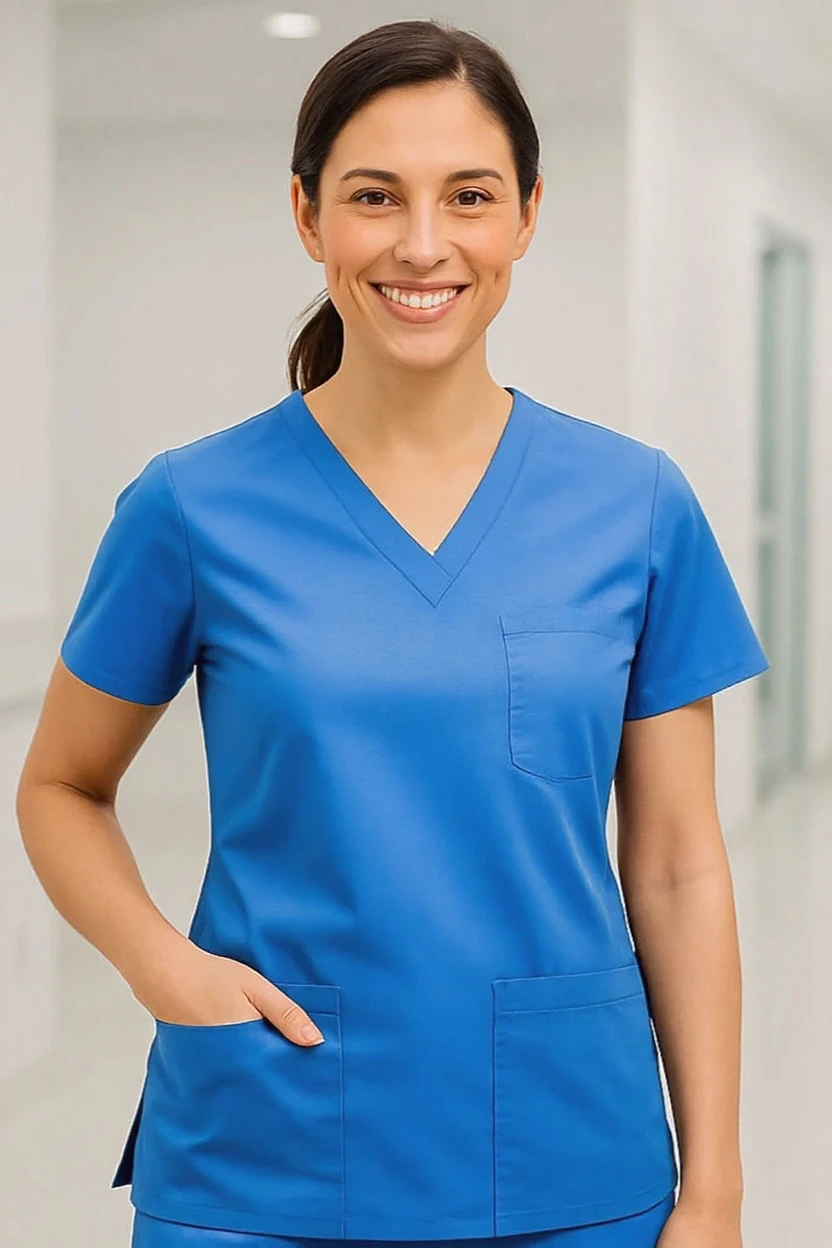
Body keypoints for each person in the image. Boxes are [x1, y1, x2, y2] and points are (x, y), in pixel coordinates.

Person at [15, 17, 768, 1248]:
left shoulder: (634, 505)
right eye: (376, 196)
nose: (424, 244)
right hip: (265, 1155)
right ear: (309, 217)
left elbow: (679, 865)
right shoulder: (192, 507)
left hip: (570, 1158)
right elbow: (60, 784)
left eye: (468, 196)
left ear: (526, 213)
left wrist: (717, 1187)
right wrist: (160, 965)